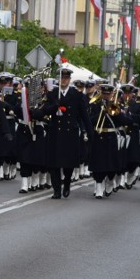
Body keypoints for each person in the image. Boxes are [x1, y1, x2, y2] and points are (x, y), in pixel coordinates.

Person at [39, 67, 92, 199]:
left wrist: (90, 132)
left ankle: (67, 182)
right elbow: (44, 111)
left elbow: (84, 115)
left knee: (68, 164)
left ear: (69, 80)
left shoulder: (77, 94)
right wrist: (54, 105)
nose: (64, 80)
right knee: (54, 164)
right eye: (62, 78)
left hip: (70, 133)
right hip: (55, 132)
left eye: (66, 78)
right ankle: (56, 190)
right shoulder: (52, 93)